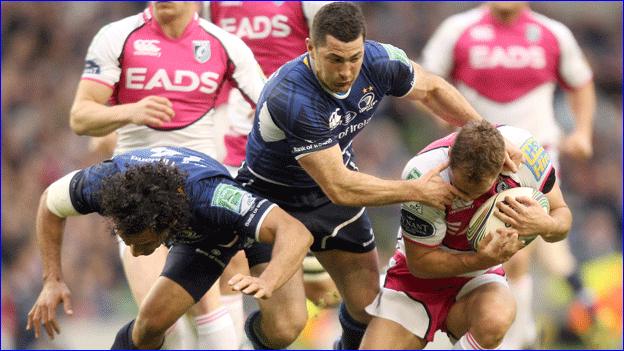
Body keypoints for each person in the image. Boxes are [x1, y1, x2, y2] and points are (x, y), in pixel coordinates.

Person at [234, 3, 521, 349]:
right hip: (274, 204)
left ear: (364, 46)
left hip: (328, 200)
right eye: (335, 59)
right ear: (310, 49)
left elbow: (432, 90)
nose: (346, 71)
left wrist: (488, 133)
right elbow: (340, 186)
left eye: (354, 58)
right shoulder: (293, 97)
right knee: (285, 328)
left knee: (369, 309)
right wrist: (415, 190)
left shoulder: (380, 60)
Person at [69, 2, 265, 349]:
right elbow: (80, 117)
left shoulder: (226, 45)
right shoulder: (117, 36)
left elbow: (269, 111)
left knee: (207, 297)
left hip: (196, 188)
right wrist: (132, 110)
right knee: (155, 317)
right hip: (137, 194)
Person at [420, 2, 595, 347]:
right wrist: (441, 120)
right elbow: (426, 80)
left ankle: (511, 339)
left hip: (533, 156)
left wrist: (583, 132)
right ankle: (520, 327)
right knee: (476, 251)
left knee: (512, 248)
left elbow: (582, 82)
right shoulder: (458, 30)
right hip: (474, 161)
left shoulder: (553, 34)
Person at [25, 146, 313, 349]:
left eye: (145, 244)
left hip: (239, 228)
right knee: (151, 324)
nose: (136, 253)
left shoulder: (217, 196)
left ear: (170, 220)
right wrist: (52, 279)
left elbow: (296, 233)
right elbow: (49, 203)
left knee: (285, 329)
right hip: (200, 241)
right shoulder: (105, 183)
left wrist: (268, 279)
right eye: (129, 243)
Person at [360, 120, 573, 350]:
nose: (467, 198)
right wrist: (481, 259)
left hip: (478, 279)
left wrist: (546, 225)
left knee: (497, 317)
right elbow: (420, 264)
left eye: (475, 192)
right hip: (415, 283)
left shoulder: (527, 155)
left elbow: (562, 215)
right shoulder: (422, 174)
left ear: (501, 167)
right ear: (451, 154)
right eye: (460, 189)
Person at [203, 2, 340, 338]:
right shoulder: (210, 5)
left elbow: (340, 61)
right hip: (231, 151)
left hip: (298, 161)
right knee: (229, 264)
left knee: (310, 304)